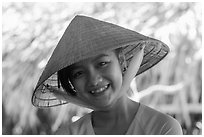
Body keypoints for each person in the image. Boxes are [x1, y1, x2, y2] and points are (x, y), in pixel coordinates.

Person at [31, 15, 183, 135]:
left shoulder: (162, 128)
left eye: (102, 63)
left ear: (122, 62)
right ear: (71, 83)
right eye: (79, 73)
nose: (94, 79)